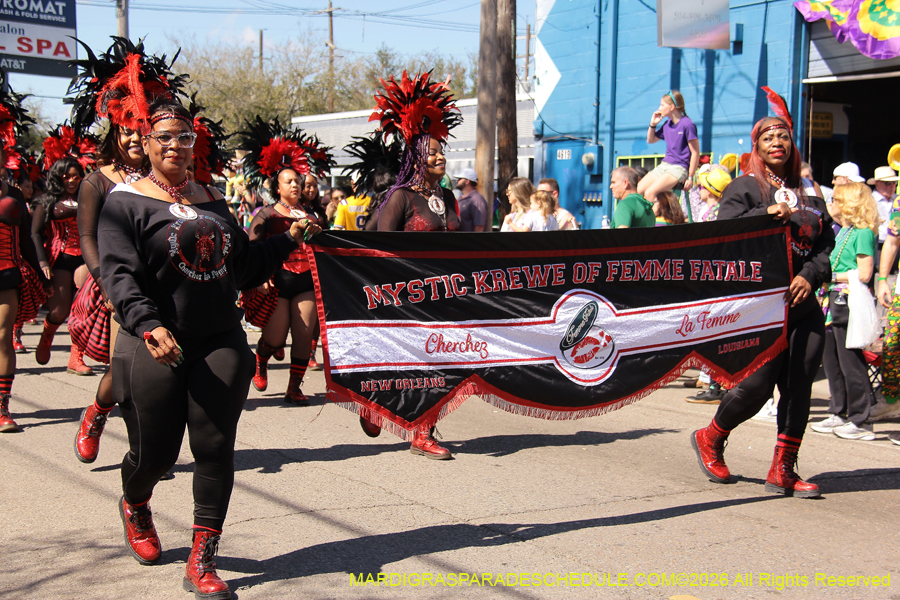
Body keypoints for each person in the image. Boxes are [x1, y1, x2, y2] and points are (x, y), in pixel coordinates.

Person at [98, 100, 319, 600]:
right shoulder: (125, 201)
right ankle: (136, 503)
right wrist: (148, 325)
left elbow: (240, 267)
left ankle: (203, 557)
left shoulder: (214, 201)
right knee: (154, 455)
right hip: (155, 343)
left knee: (215, 448)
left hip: (220, 341)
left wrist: (290, 239)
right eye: (165, 137)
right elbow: (118, 274)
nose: (176, 145)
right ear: (146, 144)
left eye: (184, 137)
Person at [691, 100, 834, 499]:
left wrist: (810, 275)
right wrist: (765, 212)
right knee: (756, 386)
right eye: (769, 137)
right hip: (759, 306)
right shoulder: (745, 188)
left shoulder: (809, 192)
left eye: (783, 136)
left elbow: (826, 244)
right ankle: (710, 436)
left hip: (803, 305)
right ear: (757, 147)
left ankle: (783, 469)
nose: (777, 142)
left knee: (799, 382)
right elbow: (721, 237)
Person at [66, 37, 186, 464]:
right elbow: (86, 239)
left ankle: (141, 447)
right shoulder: (96, 182)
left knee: (155, 374)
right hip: (119, 287)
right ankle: (99, 415)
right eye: (128, 129)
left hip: (168, 287)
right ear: (115, 131)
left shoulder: (166, 182)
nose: (136, 137)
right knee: (127, 374)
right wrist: (107, 280)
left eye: (143, 130)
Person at [359, 71, 462, 459]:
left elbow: (463, 244)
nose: (439, 156)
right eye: (431, 152)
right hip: (403, 293)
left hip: (444, 291)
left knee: (438, 362)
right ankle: (377, 399)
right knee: (410, 360)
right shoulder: (400, 197)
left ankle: (422, 429)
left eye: (441, 151)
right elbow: (379, 247)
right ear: (416, 158)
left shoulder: (449, 197)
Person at [237, 118, 334, 403]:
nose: (295, 184)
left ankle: (295, 387)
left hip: (305, 282)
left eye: (297, 180)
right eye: (288, 181)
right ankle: (261, 361)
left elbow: (324, 249)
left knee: (304, 335)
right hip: (277, 283)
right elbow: (253, 248)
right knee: (276, 339)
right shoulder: (266, 214)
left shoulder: (312, 216)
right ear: (277, 188)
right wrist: (261, 276)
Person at [810, 183, 878, 441]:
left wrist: (829, 276)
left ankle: (860, 419)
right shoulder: (844, 231)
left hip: (845, 300)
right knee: (832, 360)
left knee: (850, 361)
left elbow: (864, 273)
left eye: (838, 200)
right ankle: (838, 411)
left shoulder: (862, 233)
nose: (833, 205)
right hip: (831, 300)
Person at [0, 95, 49, 432]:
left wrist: (41, 274)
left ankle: (2, 408)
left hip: (6, 272)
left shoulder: (14, 193)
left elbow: (26, 238)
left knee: (2, 336)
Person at [30, 157, 90, 372]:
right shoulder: (48, 201)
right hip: (60, 258)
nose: (72, 181)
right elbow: (35, 233)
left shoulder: (88, 197)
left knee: (82, 311)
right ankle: (47, 336)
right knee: (59, 311)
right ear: (59, 177)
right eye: (67, 177)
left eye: (76, 176)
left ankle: (77, 357)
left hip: (85, 259)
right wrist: (42, 261)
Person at [638, 90, 699, 205]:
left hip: (679, 167)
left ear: (671, 107)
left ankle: (652, 222)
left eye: (662, 105)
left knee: (650, 192)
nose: (659, 108)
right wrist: (653, 124)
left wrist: (690, 177)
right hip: (665, 166)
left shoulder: (687, 124)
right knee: (639, 189)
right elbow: (650, 140)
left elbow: (695, 153)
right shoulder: (667, 124)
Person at [868, 166, 898, 259]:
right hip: (877, 245)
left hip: (896, 244)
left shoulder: (898, 200)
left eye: (894, 183)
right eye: (888, 183)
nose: (892, 186)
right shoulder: (869, 201)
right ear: (877, 183)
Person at [454, 168, 489, 232]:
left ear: (467, 181)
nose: (457, 181)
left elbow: (479, 227)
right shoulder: (460, 199)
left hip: (470, 241)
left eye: (459, 179)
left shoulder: (477, 200)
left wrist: (473, 241)